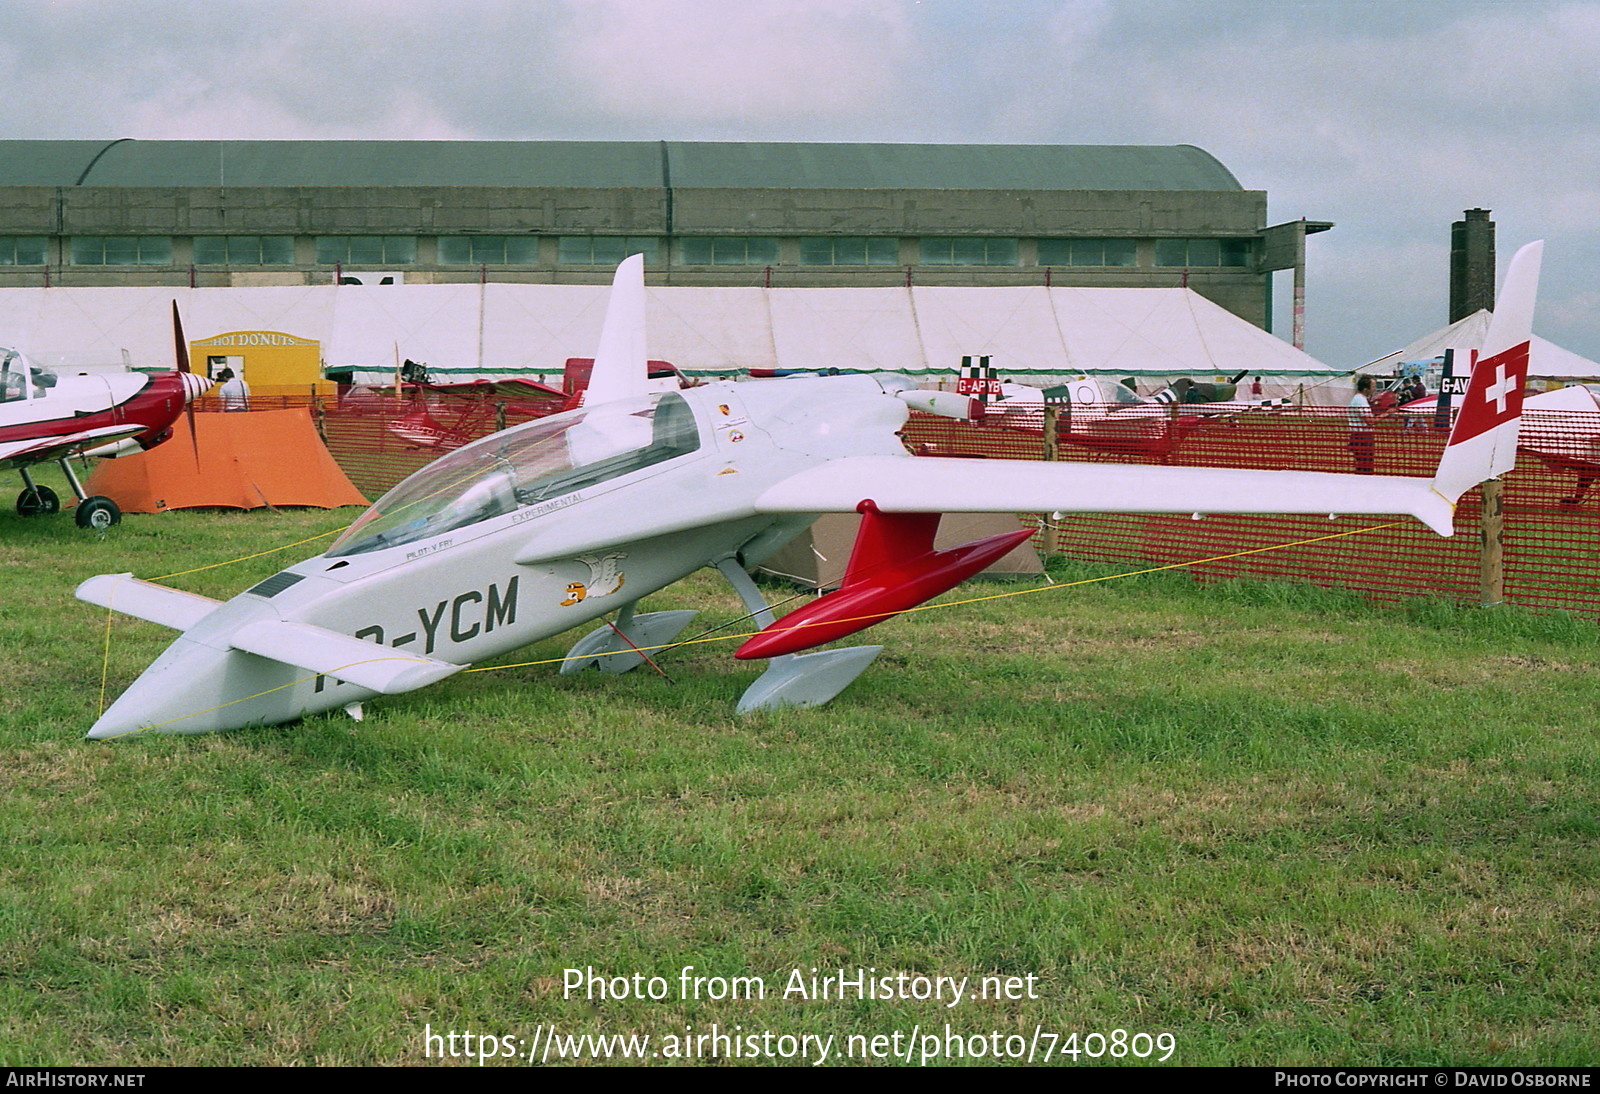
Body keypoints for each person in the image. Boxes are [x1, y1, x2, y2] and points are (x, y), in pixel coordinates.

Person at [1348, 375, 1376, 474]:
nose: (1374, 389)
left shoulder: (1359, 399)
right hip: (1362, 437)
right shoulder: (1360, 400)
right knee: (1365, 466)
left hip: (1358, 436)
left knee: (1362, 465)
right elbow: (1370, 421)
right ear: (1365, 389)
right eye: (1372, 387)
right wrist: (1387, 413)